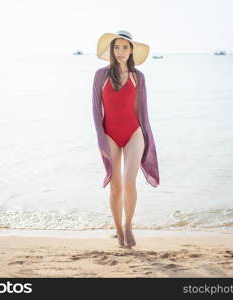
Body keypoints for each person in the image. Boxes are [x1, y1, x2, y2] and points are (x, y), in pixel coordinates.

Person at [92, 30, 160, 248]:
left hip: (134, 133)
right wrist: (101, 140)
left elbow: (143, 111)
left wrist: (148, 138)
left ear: (131, 51)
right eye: (116, 47)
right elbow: (95, 110)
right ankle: (118, 230)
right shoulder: (100, 76)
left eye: (125, 47)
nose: (120, 52)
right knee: (116, 187)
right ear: (112, 50)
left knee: (130, 182)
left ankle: (128, 225)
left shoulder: (138, 77)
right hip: (109, 134)